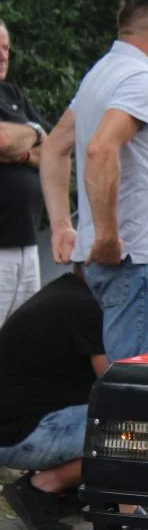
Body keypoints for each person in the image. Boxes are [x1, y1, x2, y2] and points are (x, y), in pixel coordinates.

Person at [40, 0, 148, 362]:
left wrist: (60, 226)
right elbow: (101, 149)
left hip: (132, 258)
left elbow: (54, 146)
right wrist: (106, 234)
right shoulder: (141, 79)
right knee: (139, 393)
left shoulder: (100, 74)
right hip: (132, 260)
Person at [0, 271, 105, 530]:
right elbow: (114, 385)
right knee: (133, 431)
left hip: (17, 426)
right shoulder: (87, 306)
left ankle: (67, 486)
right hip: (21, 436)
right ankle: (41, 487)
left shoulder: (66, 290)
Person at [0, 19, 49, 321]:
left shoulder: (12, 95)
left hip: (28, 243)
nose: (3, 55)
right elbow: (3, 140)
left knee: (21, 341)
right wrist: (34, 133)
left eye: (6, 48)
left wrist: (19, 153)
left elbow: (54, 148)